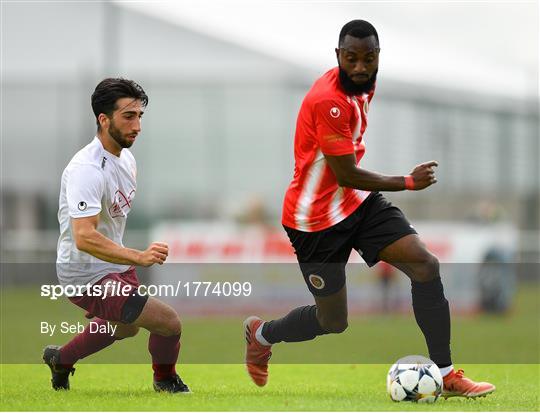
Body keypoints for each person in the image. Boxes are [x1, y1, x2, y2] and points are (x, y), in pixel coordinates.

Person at [244, 20, 495, 399]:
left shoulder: (365, 82)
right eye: (351, 59)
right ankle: (262, 334)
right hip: (315, 221)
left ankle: (445, 375)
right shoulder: (327, 100)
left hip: (357, 204)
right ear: (337, 57)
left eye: (368, 58)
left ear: (378, 57)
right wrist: (406, 182)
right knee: (334, 321)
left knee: (425, 265)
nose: (360, 67)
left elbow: (349, 180)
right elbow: (345, 173)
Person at [44, 78, 189, 393]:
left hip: (112, 266)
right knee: (168, 323)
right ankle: (165, 381)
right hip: (84, 273)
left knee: (126, 329)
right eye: (128, 116)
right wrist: (139, 256)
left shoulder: (126, 158)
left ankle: (60, 359)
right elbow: (84, 237)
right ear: (103, 119)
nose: (137, 125)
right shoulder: (87, 169)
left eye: (139, 116)